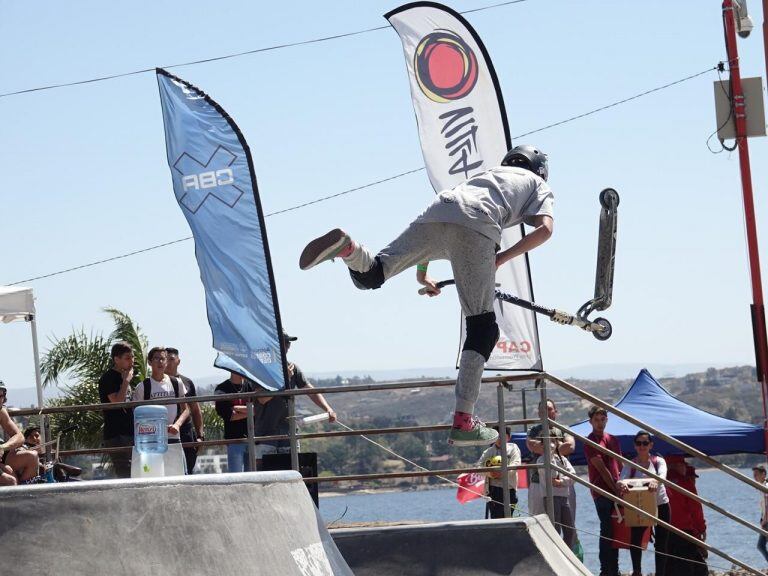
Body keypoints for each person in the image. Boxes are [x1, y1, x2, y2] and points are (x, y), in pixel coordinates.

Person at [299, 145, 553, 447]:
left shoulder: (486, 176)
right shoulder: (537, 184)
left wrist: (422, 275)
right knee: (483, 328)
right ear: (538, 170)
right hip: (479, 224)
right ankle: (463, 422)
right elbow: (545, 230)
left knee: (373, 274)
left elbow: (447, 232)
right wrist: (502, 257)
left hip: (439, 210)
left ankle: (348, 249)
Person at [253, 331, 336, 468]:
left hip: (288, 430)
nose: (287, 347)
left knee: (291, 469)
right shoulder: (262, 369)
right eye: (284, 343)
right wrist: (283, 381)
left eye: (288, 343)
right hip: (266, 431)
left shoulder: (293, 368)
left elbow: (310, 390)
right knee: (264, 471)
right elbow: (262, 398)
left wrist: (328, 409)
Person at [618, 431, 670, 576]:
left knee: (661, 542)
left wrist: (655, 481)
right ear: (635, 446)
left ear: (651, 445)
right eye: (639, 443)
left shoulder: (658, 461)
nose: (642, 446)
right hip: (639, 505)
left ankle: (661, 573)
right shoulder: (631, 464)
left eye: (645, 443)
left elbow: (662, 476)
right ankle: (637, 572)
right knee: (635, 539)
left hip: (661, 504)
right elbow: (621, 479)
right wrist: (622, 485)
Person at [584, 405, 623, 576]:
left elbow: (619, 465)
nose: (600, 423)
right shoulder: (590, 441)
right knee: (606, 529)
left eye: (603, 419)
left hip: (616, 490)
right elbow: (601, 468)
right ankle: (606, 570)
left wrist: (622, 485)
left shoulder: (613, 439)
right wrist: (615, 489)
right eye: (596, 420)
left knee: (616, 530)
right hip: (602, 491)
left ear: (607, 420)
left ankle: (614, 568)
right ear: (591, 422)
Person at [526, 399, 576, 516]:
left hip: (563, 481)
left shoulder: (564, 429)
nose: (546, 412)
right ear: (538, 413)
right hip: (538, 482)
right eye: (542, 410)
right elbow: (533, 446)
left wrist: (545, 446)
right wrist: (558, 445)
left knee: (568, 522)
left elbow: (570, 447)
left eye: (549, 409)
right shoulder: (532, 431)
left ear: (555, 411)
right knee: (537, 521)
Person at [133, 347, 190, 449]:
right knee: (153, 466)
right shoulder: (142, 387)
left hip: (173, 437)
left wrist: (177, 425)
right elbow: (137, 414)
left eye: (163, 359)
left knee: (174, 465)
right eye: (156, 358)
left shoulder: (177, 383)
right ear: (149, 362)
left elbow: (186, 409)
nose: (160, 362)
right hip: (152, 439)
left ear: (166, 362)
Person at [98, 341, 135, 478]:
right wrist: (125, 382)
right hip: (116, 434)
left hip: (130, 431)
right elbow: (117, 402)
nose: (131, 361)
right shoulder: (108, 378)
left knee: (136, 470)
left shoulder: (127, 376)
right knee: (125, 473)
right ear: (116, 359)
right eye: (127, 358)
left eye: (132, 357)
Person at [665, 456, 707, 576]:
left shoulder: (659, 482)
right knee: (693, 569)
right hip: (684, 533)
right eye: (683, 464)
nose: (685, 467)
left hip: (665, 533)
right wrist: (702, 528)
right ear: (677, 465)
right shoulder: (685, 483)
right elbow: (696, 509)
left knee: (669, 568)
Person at [165, 347, 204, 474]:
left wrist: (200, 436)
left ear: (178, 361)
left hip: (186, 432)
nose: (168, 362)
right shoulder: (156, 382)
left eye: (171, 359)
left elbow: (195, 409)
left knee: (188, 468)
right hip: (166, 432)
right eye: (165, 359)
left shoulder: (187, 382)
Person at [537, 435, 576, 549]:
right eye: (548, 442)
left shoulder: (563, 459)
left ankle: (566, 553)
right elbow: (552, 477)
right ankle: (555, 552)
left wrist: (562, 481)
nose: (551, 444)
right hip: (551, 497)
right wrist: (560, 480)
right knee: (555, 529)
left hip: (564, 497)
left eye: (553, 441)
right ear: (542, 445)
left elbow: (572, 476)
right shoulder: (541, 460)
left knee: (570, 530)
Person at [477, 426, 521, 519]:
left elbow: (516, 463)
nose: (500, 439)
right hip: (493, 489)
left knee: (509, 517)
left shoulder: (513, 448)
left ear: (508, 437)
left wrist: (503, 473)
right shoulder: (488, 452)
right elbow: (478, 467)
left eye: (503, 436)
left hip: (509, 488)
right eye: (497, 437)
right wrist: (491, 473)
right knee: (496, 518)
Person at [215, 371, 255, 473]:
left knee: (253, 476)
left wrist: (236, 408)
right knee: (236, 475)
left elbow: (258, 409)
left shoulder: (251, 386)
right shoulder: (222, 389)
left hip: (252, 438)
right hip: (234, 439)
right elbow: (229, 415)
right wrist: (250, 411)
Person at [0, 383, 39, 484]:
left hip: (1, 452)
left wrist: (3, 447)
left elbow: (19, 436)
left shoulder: (1, 412)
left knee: (32, 457)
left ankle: (24, 496)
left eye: (2, 395)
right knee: (11, 480)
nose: (0, 398)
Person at [754, 464, 768, 564]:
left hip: (767, 521)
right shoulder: (761, 486)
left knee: (760, 545)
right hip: (765, 520)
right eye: (754, 474)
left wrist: (764, 521)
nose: (755, 476)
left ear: (763, 474)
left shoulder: (766, 486)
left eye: (757, 474)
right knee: (761, 545)